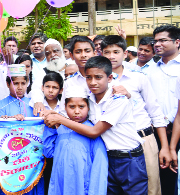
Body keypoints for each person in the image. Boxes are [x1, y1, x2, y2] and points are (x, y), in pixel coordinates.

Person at [44, 56, 148, 194]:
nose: (93, 82)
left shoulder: (118, 100)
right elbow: (73, 108)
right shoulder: (90, 99)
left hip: (128, 160)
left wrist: (60, 119)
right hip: (107, 157)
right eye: (88, 77)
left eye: (98, 77)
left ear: (110, 78)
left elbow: (94, 131)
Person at [101, 35, 170, 195]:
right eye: (107, 52)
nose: (111, 56)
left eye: (116, 52)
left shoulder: (138, 78)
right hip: (114, 144)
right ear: (101, 54)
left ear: (125, 53)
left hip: (144, 139)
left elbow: (155, 113)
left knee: (151, 187)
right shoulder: (98, 81)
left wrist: (165, 147)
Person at [43, 88, 108, 195]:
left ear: (88, 107)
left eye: (81, 106)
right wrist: (51, 127)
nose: (77, 111)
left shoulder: (92, 131)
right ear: (65, 107)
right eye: (71, 107)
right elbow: (48, 153)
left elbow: (99, 170)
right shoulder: (61, 129)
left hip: (82, 188)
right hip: (60, 186)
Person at [0, 72, 44, 195]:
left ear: (28, 83)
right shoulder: (0, 105)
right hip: (10, 161)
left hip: (31, 159)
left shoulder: (33, 104)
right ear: (7, 84)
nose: (20, 87)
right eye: (15, 83)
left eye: (23, 83)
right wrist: (8, 120)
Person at [147, 25, 180, 195]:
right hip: (159, 132)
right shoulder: (150, 70)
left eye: (162, 40)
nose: (157, 44)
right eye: (155, 41)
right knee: (163, 180)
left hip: (177, 129)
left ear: (177, 42)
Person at [32, 36, 95, 117]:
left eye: (56, 51)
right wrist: (38, 101)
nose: (53, 55)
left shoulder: (74, 67)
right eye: (48, 53)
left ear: (62, 52)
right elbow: (36, 88)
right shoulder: (44, 72)